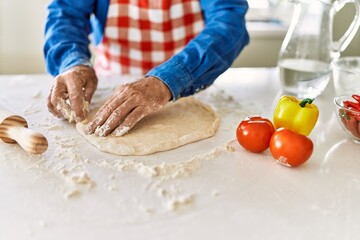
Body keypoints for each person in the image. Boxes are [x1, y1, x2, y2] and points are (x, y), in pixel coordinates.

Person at [44, 0, 249, 137]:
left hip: (191, 82)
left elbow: (229, 22)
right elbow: (66, 14)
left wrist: (171, 78)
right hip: (110, 89)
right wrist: (72, 62)